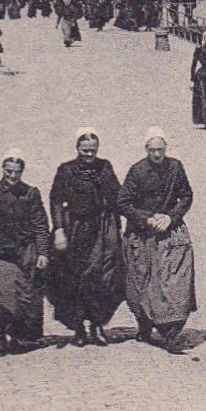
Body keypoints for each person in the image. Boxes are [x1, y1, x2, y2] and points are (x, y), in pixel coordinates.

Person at [119, 128, 198, 352]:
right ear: (146, 150)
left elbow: (186, 196)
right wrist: (147, 219)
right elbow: (123, 202)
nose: (156, 155)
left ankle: (171, 332)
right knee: (141, 281)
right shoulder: (136, 171)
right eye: (152, 150)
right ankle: (144, 324)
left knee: (175, 282)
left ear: (166, 149)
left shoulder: (175, 168)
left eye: (160, 150)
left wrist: (170, 217)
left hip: (170, 234)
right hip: (142, 235)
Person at [47, 129, 125, 347]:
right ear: (77, 149)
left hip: (101, 227)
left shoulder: (105, 167)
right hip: (75, 228)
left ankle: (98, 325)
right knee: (76, 277)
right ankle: (79, 327)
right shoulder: (66, 170)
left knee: (105, 275)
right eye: (85, 151)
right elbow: (55, 200)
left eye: (93, 150)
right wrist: (59, 230)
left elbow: (117, 196)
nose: (89, 155)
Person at [0, 151, 50, 355]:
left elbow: (40, 225)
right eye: (8, 171)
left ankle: (19, 337)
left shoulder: (30, 193)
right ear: (2, 169)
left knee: (24, 296)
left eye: (17, 172)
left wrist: (42, 252)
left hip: (23, 251)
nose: (12, 176)